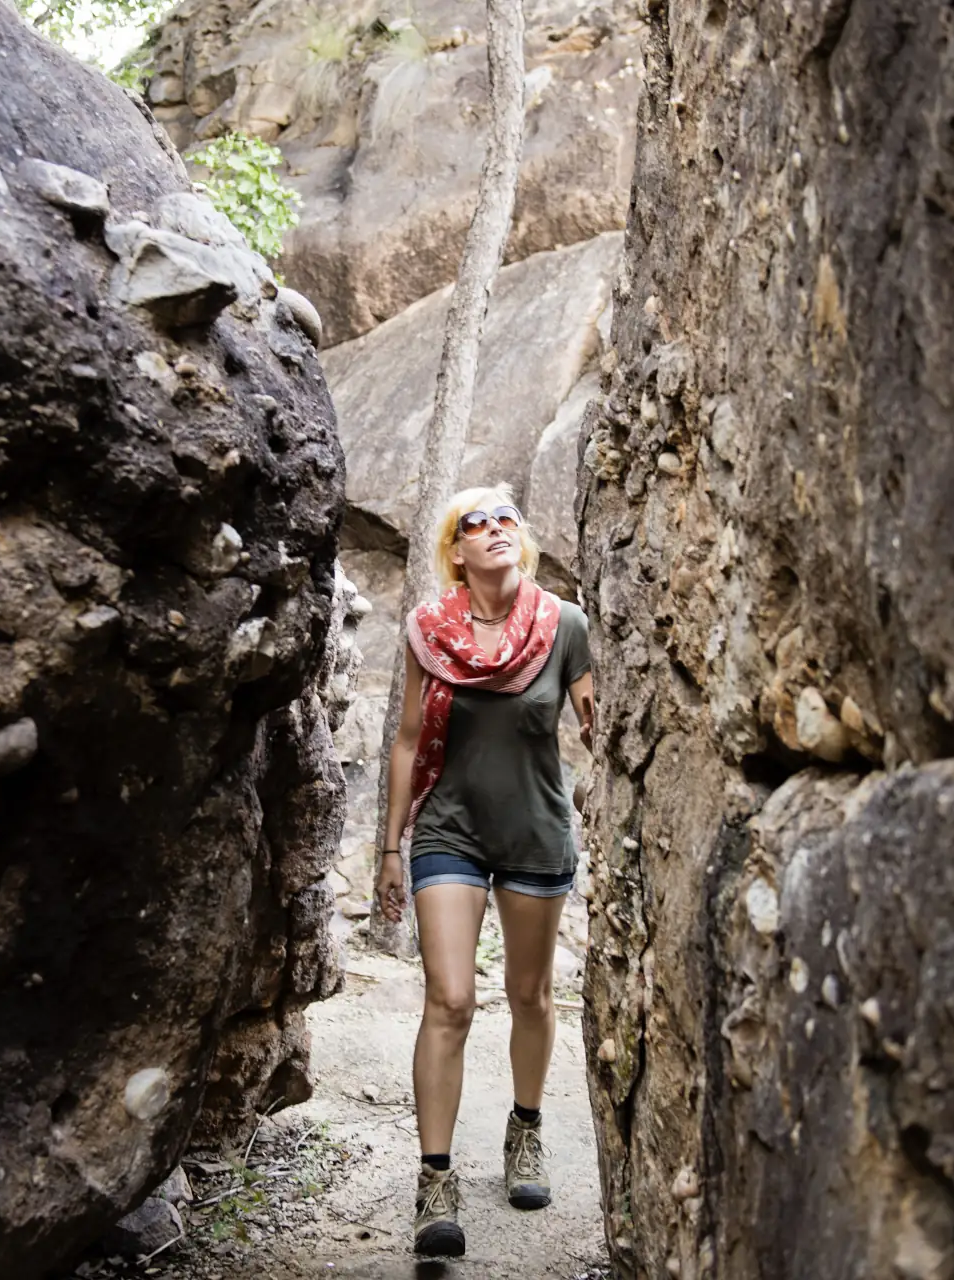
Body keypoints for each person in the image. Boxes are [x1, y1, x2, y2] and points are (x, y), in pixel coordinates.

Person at [374, 483, 595, 1258]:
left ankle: (524, 1130)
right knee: (450, 999)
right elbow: (408, 740)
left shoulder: (563, 624)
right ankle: (435, 1180)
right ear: (456, 550)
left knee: (529, 994)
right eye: (477, 521)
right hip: (449, 831)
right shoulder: (429, 632)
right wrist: (389, 848)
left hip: (534, 831)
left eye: (507, 519)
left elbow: (599, 723)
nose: (496, 528)